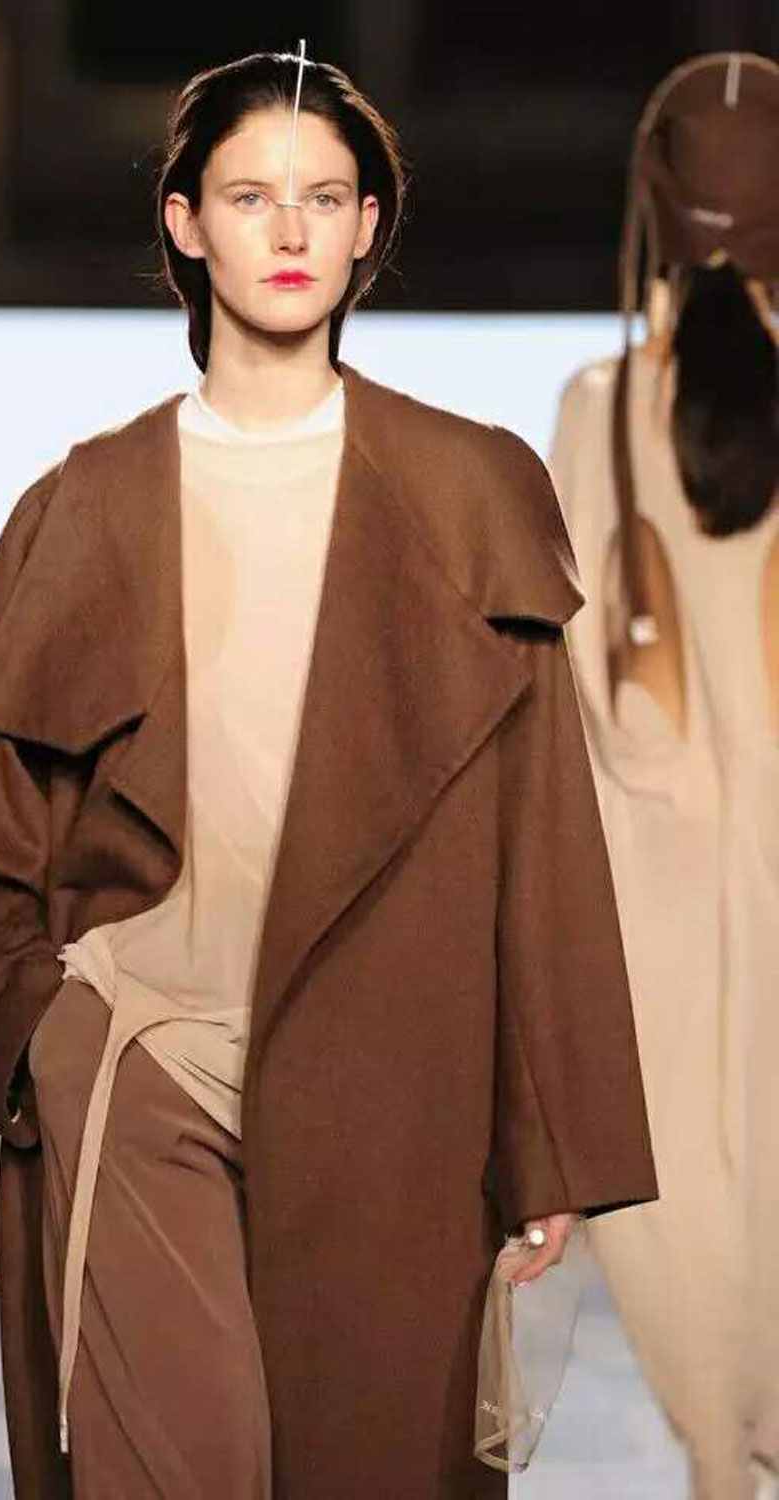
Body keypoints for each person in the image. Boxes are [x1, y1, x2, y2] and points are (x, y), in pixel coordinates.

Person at [0, 46, 658, 1499]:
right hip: (146, 1061)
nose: (290, 230)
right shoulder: (87, 502)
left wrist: (548, 1133)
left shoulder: (474, 490)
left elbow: (542, 830)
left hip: (397, 1081)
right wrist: (46, 1033)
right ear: (186, 225)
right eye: (251, 196)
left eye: (324, 197)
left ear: (370, 227)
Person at [547, 51, 779, 1500]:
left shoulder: (603, 404)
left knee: (682, 1179)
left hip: (655, 880)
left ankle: (717, 1451)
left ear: (655, 198)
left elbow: (568, 662)